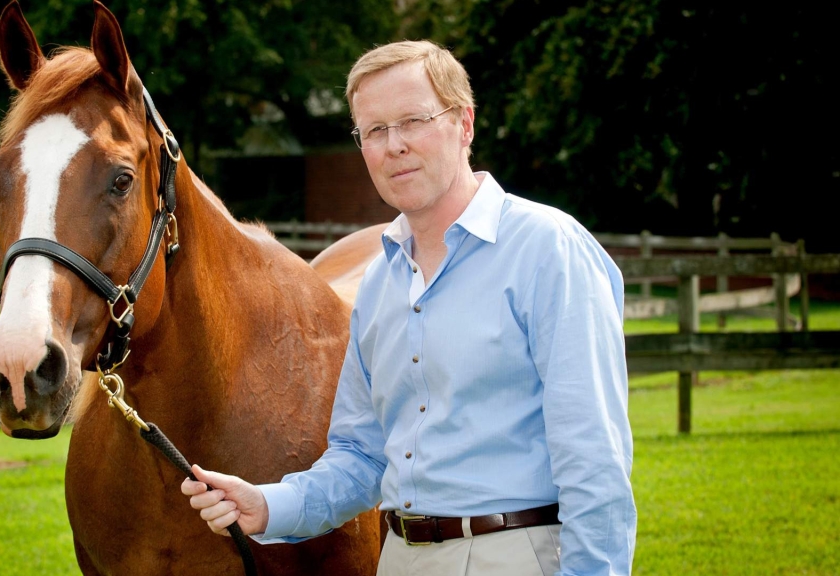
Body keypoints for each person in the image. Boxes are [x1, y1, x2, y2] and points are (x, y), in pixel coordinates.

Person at [182, 40, 636, 576]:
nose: (393, 145)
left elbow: (594, 460)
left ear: (464, 124)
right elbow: (362, 457)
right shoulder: (379, 283)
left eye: (414, 121)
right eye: (374, 130)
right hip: (398, 557)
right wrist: (267, 506)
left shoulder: (547, 249)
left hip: (513, 553)